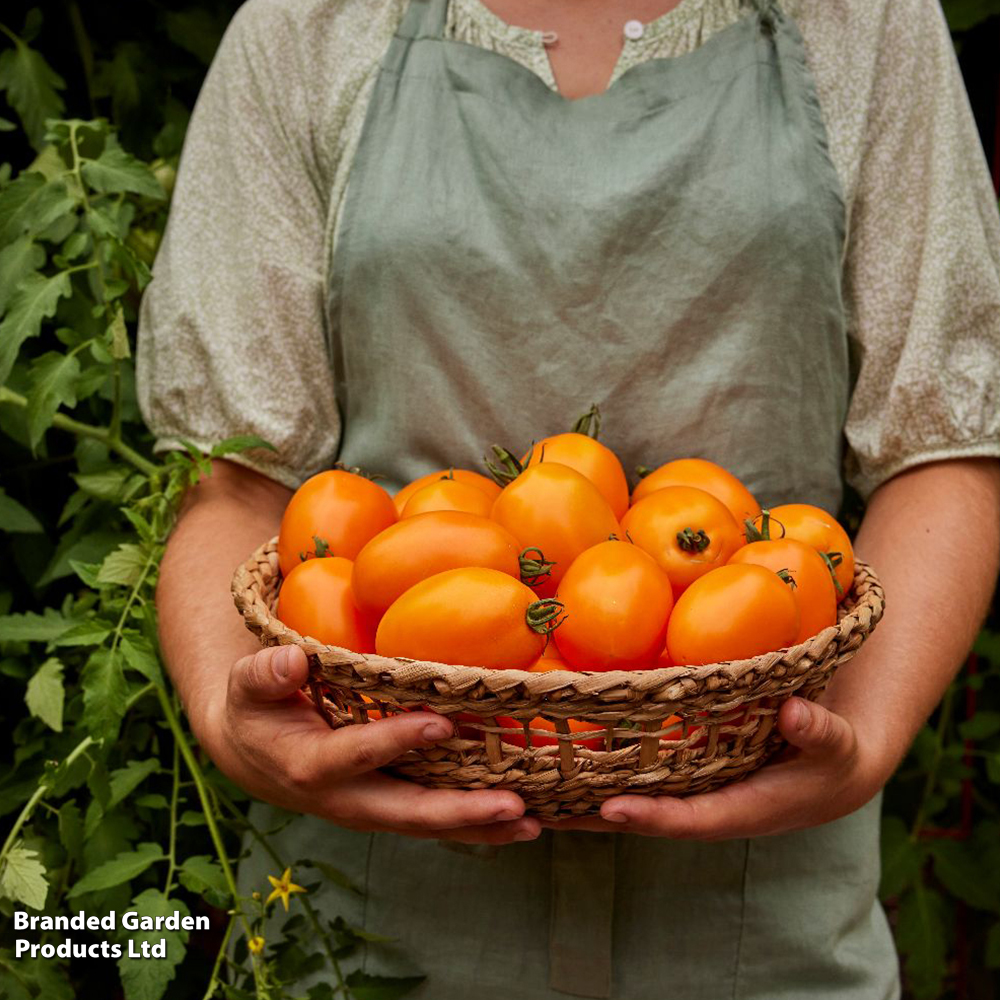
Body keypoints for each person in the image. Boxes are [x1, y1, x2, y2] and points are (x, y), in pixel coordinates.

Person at [136, 0, 1000, 996]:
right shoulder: (306, 26)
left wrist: (864, 742)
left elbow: (942, 441)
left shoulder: (870, 21)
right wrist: (229, 717)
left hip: (762, 937)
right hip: (367, 928)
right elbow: (235, 476)